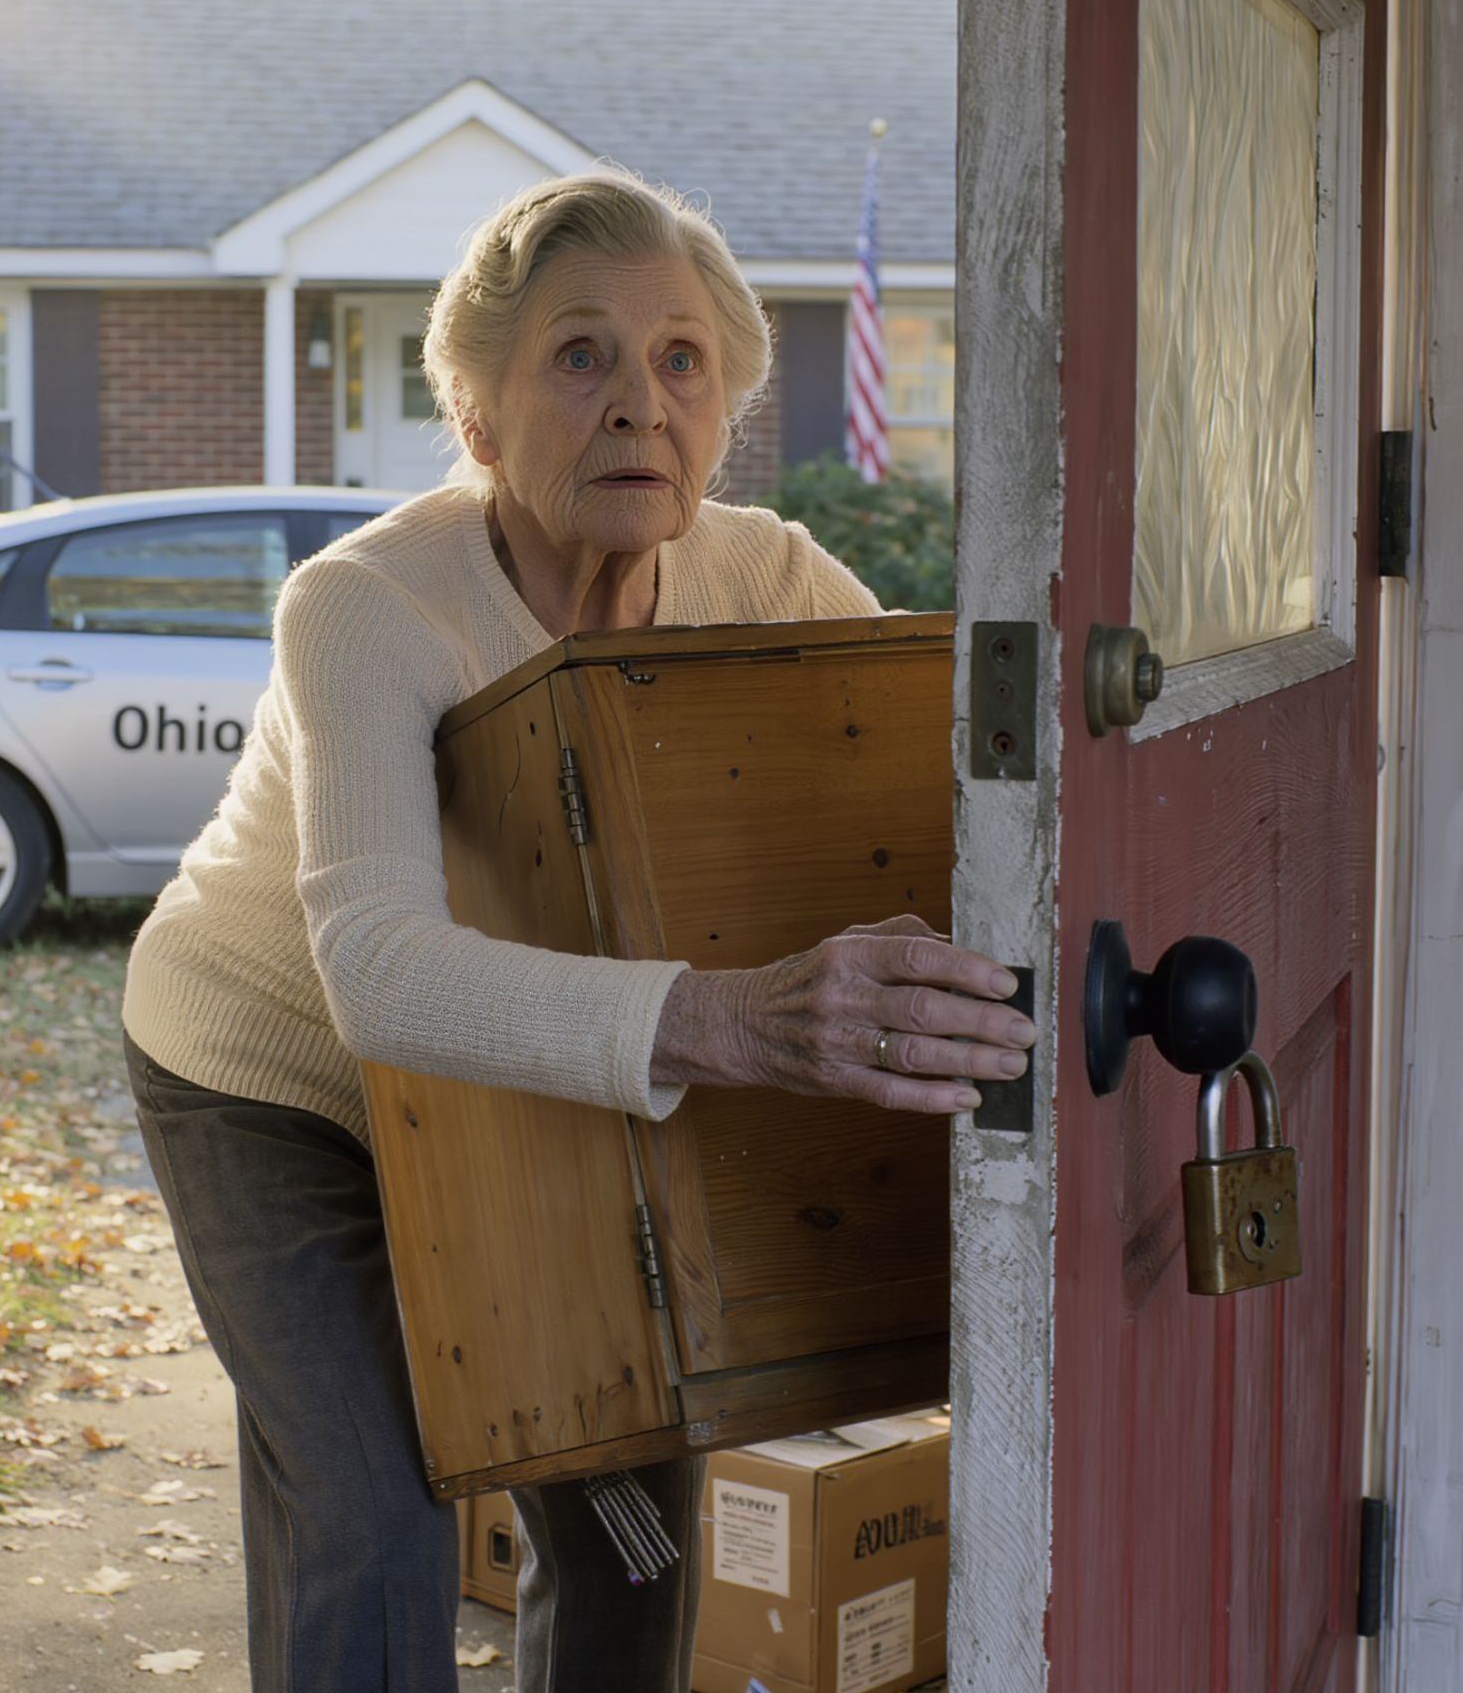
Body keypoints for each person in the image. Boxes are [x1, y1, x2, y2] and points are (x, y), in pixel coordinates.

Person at [121, 169, 1034, 1693]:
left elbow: (934, 802)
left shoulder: (768, 579)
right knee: (371, 1515)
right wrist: (741, 1020)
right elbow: (378, 974)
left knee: (630, 1521)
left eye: (681, 359)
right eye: (578, 355)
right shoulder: (365, 605)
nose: (638, 405)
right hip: (278, 1084)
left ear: (726, 404)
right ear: (476, 417)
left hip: (539, 1083)